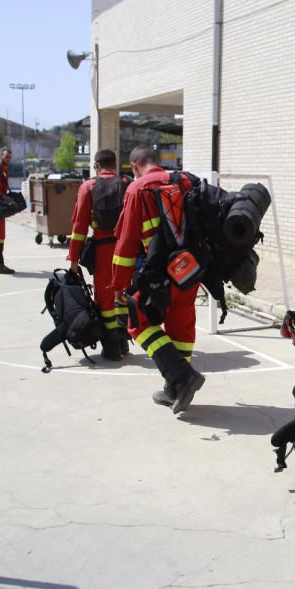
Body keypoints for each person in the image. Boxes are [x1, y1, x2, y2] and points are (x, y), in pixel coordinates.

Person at [111, 146, 204, 414]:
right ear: (158, 162)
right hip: (191, 268)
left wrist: (118, 285)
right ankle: (175, 389)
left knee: (136, 322)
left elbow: (127, 243)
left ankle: (182, 377)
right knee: (181, 324)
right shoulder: (186, 180)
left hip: (159, 273)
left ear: (134, 166)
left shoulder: (137, 188)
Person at [68, 149, 131, 360]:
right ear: (115, 164)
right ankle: (123, 342)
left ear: (95, 165)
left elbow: (79, 227)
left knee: (104, 298)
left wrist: (74, 258)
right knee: (123, 293)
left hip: (103, 249)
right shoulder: (127, 183)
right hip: (127, 247)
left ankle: (112, 347)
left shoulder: (88, 186)